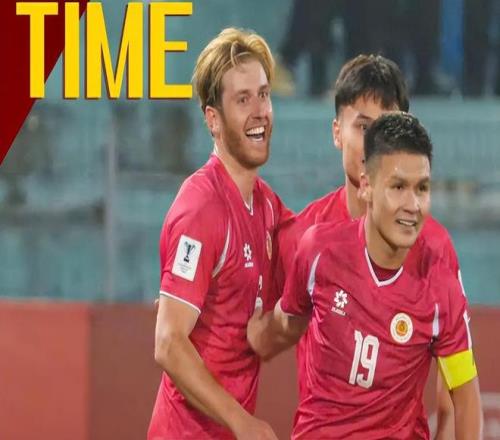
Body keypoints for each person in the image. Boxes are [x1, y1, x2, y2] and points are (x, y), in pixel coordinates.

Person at [249, 112, 483, 439]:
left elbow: (465, 395)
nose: (413, 205)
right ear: (367, 186)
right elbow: (284, 323)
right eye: (398, 187)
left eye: (422, 188)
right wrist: (250, 331)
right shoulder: (319, 252)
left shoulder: (441, 287)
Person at [148, 27, 290, 440]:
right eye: (242, 99)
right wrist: (242, 422)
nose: (259, 111)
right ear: (213, 119)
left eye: (264, 95)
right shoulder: (202, 207)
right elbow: (168, 342)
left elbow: (316, 258)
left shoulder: (267, 205)